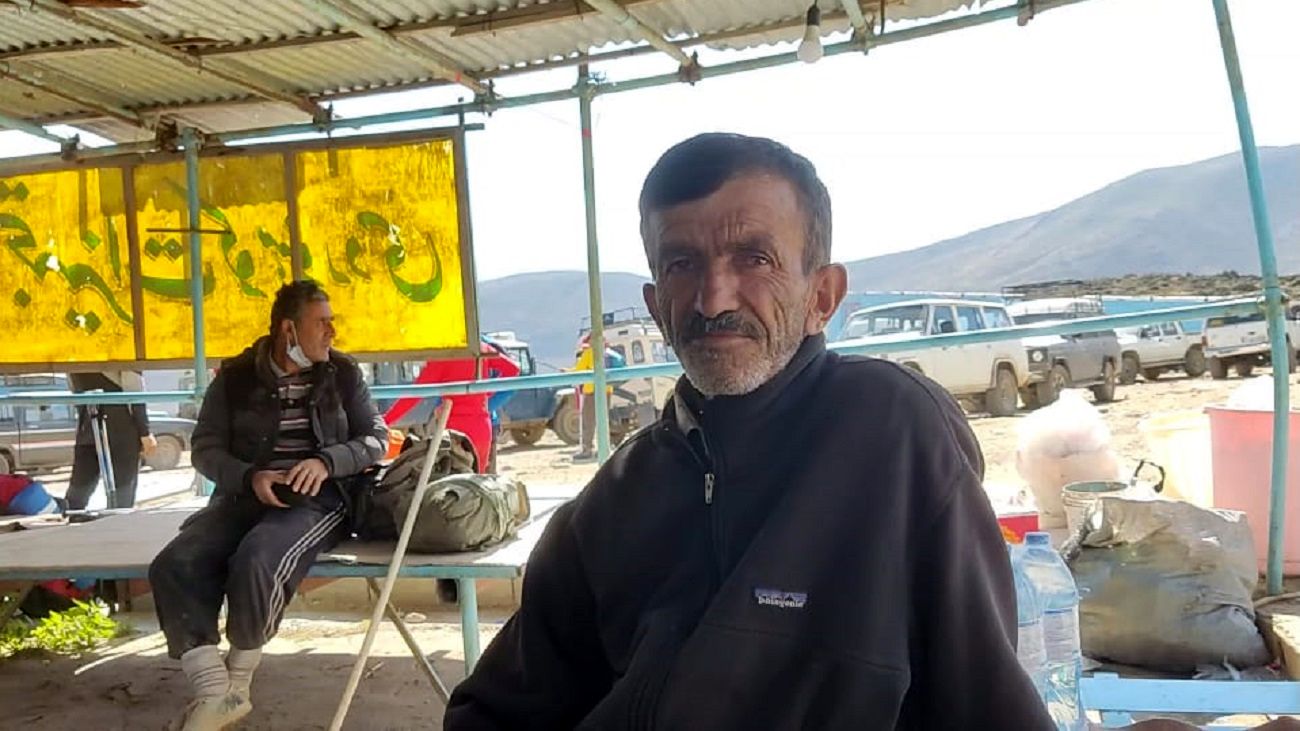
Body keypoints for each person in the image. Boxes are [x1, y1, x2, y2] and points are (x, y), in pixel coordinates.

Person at [445, 133, 1055, 729]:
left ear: (822, 297)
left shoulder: (891, 434)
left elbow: (984, 701)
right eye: (682, 264)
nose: (712, 300)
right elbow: (494, 710)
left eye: (754, 260)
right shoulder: (616, 496)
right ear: (656, 306)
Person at [148, 280, 387, 730]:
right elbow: (205, 448)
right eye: (321, 322)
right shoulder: (235, 378)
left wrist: (326, 462)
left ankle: (237, 683)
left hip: (320, 499)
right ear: (288, 330)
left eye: (331, 322)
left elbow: (375, 438)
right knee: (174, 563)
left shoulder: (343, 373)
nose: (332, 331)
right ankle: (214, 690)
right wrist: (249, 477)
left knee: (258, 559)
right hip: (243, 495)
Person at [382, 339, 521, 473]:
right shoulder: (480, 348)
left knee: (454, 482)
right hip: (481, 427)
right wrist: (485, 393)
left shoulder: (443, 356)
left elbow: (414, 395)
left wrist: (385, 421)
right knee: (476, 482)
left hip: (455, 430)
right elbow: (513, 369)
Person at [66, 370, 156, 509]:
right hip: (121, 428)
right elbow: (135, 393)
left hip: (89, 425)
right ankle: (116, 517)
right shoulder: (122, 358)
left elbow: (75, 393)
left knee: (80, 485)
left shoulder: (72, 361)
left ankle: (72, 513)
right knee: (122, 490)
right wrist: (145, 432)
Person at [569, 335, 626, 461]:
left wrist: (567, 372)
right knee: (603, 420)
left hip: (591, 391)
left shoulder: (590, 353)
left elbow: (580, 371)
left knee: (588, 421)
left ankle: (587, 450)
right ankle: (604, 448)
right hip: (607, 390)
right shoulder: (609, 354)